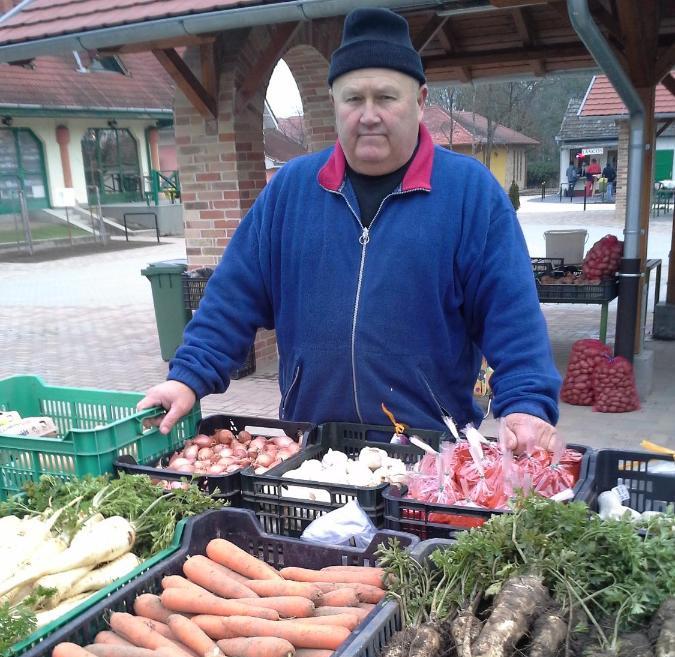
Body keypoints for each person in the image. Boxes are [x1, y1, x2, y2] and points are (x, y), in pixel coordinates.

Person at [139, 8, 561, 453]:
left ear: (420, 101)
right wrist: (186, 378)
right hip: (312, 451)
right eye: (353, 99)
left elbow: (512, 317)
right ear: (334, 102)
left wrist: (527, 405)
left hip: (433, 456)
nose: (369, 114)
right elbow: (231, 298)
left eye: (386, 97)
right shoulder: (290, 191)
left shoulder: (471, 195)